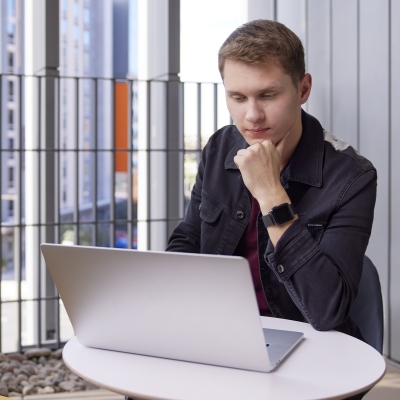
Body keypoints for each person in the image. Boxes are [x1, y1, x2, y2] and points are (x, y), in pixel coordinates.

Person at [167, 20, 377, 343]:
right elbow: (188, 240)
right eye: (237, 97)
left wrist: (271, 195)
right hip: (219, 331)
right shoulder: (219, 147)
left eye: (267, 95)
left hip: (309, 342)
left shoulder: (351, 177)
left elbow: (327, 311)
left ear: (303, 90)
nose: (252, 116)